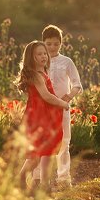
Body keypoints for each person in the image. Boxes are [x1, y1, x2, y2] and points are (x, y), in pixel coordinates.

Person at [14, 40, 70, 192]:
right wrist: (63, 103)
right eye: (39, 54)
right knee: (37, 153)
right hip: (39, 118)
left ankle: (43, 185)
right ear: (31, 58)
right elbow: (47, 96)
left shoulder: (42, 73)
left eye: (45, 53)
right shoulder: (37, 76)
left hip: (44, 116)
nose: (44, 56)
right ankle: (22, 178)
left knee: (43, 152)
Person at [33, 25, 83, 189]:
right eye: (48, 44)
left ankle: (63, 178)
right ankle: (38, 178)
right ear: (43, 43)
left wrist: (68, 97)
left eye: (56, 43)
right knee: (41, 142)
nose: (52, 47)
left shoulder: (66, 62)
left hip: (61, 108)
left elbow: (77, 85)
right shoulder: (38, 62)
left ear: (61, 44)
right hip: (43, 109)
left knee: (64, 142)